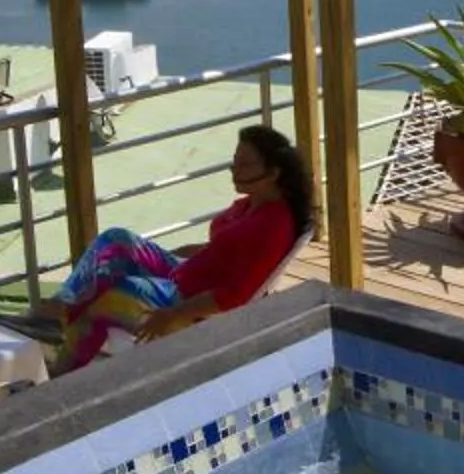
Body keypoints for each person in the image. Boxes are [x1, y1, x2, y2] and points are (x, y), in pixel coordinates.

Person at [52, 126, 312, 371]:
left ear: (274, 173)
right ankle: (61, 309)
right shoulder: (250, 205)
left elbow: (236, 295)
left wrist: (172, 314)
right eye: (234, 161)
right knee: (117, 241)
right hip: (185, 274)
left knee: (114, 296)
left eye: (244, 164)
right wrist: (159, 257)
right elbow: (220, 250)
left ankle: (62, 376)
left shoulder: (272, 226)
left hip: (188, 302)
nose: (235, 170)